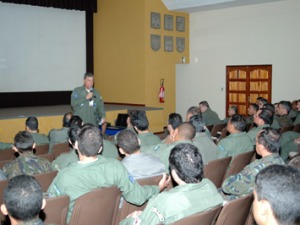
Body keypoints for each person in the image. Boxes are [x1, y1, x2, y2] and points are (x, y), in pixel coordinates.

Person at [47, 125, 170, 223]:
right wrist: (157, 188)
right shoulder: (115, 167)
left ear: (76, 145)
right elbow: (137, 197)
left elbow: (50, 209)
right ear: (100, 148)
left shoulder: (64, 176)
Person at [120, 143, 223, 225]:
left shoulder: (162, 202)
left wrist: (131, 219)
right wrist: (148, 216)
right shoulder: (210, 186)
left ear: (174, 172)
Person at [222, 127, 285, 198]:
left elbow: (226, 186)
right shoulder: (281, 162)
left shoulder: (257, 170)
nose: (255, 144)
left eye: (256, 141)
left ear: (261, 146)